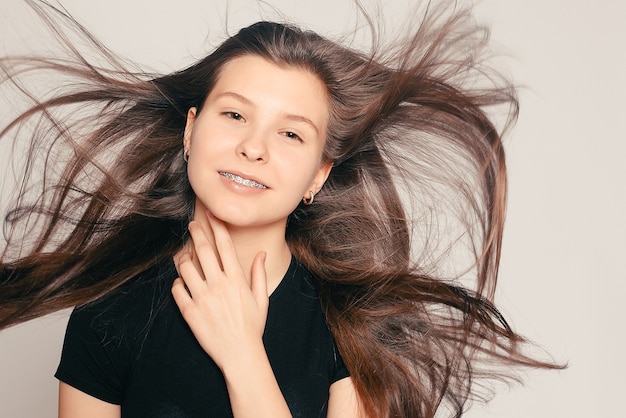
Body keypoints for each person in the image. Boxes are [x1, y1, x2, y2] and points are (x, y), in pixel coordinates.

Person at [0, 0, 561, 417]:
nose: (255, 147)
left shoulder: (356, 327)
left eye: (291, 134)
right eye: (235, 116)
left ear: (319, 173)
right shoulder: (108, 317)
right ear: (191, 131)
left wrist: (243, 352)